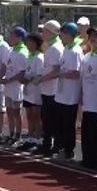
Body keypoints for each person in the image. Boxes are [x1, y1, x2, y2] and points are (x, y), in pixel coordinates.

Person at [53, 22, 83, 160]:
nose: (61, 35)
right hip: (61, 93)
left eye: (63, 33)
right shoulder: (67, 49)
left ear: (70, 35)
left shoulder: (75, 51)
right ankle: (61, 148)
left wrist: (60, 74)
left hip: (70, 95)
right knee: (60, 123)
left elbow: (76, 73)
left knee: (68, 125)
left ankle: (68, 151)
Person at [80, 28, 97, 169]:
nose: (93, 38)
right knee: (87, 133)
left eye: (96, 36)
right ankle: (87, 158)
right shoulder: (86, 56)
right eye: (91, 36)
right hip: (88, 102)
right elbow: (83, 78)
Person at [35, 21, 64, 155]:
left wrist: (41, 79)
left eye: (45, 31)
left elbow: (56, 71)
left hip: (52, 90)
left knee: (51, 120)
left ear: (51, 32)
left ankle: (53, 146)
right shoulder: (49, 46)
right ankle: (47, 144)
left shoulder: (55, 48)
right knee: (46, 119)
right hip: (47, 89)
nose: (42, 33)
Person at [1, 26, 29, 145]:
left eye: (12, 35)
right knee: (9, 111)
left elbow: (22, 73)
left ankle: (18, 135)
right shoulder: (11, 50)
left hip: (17, 87)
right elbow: (7, 67)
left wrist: (9, 79)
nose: (10, 37)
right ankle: (11, 133)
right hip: (8, 87)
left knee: (17, 112)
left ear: (19, 37)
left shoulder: (23, 52)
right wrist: (3, 78)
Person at [18, 32, 45, 151]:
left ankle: (37, 138)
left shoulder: (39, 57)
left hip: (36, 92)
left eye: (29, 42)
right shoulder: (30, 56)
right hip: (28, 92)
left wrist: (27, 80)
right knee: (29, 115)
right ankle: (30, 137)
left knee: (36, 116)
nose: (27, 44)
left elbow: (39, 76)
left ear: (35, 43)